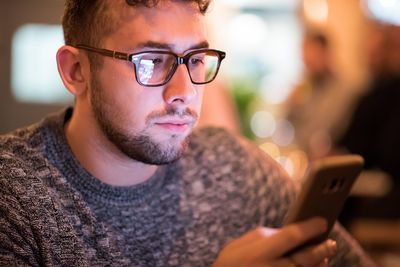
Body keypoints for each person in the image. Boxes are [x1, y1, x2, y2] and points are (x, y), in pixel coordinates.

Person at [0, 0, 376, 266]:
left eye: (195, 60)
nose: (184, 91)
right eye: (151, 61)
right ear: (76, 71)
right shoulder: (14, 191)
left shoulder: (236, 170)